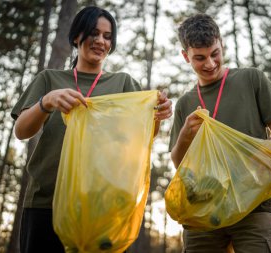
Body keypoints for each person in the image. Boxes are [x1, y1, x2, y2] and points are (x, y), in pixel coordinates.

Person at [11, 6, 172, 253]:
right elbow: (21, 131)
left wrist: (158, 116)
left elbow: (142, 136)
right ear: (76, 36)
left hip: (103, 206)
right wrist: (47, 102)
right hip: (46, 202)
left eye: (107, 37)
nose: (100, 41)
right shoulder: (50, 79)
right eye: (94, 33)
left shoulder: (124, 83)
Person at [169, 13, 271, 253]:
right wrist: (184, 134)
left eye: (215, 53)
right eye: (199, 58)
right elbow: (179, 163)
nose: (210, 64)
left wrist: (266, 154)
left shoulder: (251, 78)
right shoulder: (185, 103)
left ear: (221, 44)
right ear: (186, 57)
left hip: (255, 205)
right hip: (203, 213)